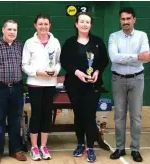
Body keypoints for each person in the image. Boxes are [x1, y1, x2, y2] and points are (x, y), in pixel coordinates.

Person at [60, 12, 109, 163]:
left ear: (90, 25)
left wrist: (97, 71)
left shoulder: (97, 42)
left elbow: (104, 60)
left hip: (92, 85)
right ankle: (80, 144)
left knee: (90, 116)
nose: (84, 24)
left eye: (87, 22)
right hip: (74, 85)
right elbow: (64, 61)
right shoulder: (69, 42)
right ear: (76, 24)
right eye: (82, 21)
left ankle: (90, 148)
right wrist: (77, 72)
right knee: (79, 115)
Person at [108, 7, 150, 162]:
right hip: (118, 79)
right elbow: (114, 57)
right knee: (119, 115)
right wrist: (136, 57)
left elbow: (145, 57)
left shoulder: (142, 36)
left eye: (128, 19)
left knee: (136, 116)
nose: (125, 22)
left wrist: (129, 58)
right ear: (120, 20)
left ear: (134, 19)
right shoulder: (114, 36)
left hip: (137, 79)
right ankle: (120, 148)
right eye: (123, 19)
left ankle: (135, 149)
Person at [0, 19, 27, 164]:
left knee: (15, 120)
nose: (12, 32)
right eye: (9, 29)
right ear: (3, 30)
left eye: (14, 30)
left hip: (17, 88)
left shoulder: (20, 46)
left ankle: (15, 150)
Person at [22, 14, 61, 161]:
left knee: (47, 114)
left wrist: (56, 70)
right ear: (35, 25)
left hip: (51, 83)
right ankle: (34, 146)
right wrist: (37, 72)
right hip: (35, 83)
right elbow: (24, 65)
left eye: (46, 24)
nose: (43, 26)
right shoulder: (29, 43)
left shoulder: (55, 42)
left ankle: (44, 146)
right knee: (36, 113)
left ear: (50, 25)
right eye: (40, 24)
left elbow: (58, 62)